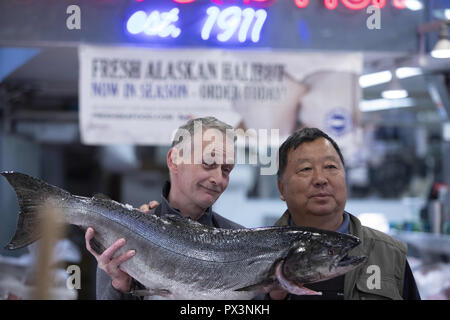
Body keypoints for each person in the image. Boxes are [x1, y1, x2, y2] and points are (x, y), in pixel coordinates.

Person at [85, 116, 242, 300]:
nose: (218, 178)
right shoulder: (123, 235)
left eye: (226, 169)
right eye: (208, 163)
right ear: (174, 160)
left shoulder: (241, 241)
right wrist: (120, 287)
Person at [270, 127, 420, 300]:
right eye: (305, 169)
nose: (320, 179)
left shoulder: (388, 254)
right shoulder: (257, 252)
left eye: (330, 166)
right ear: (282, 188)